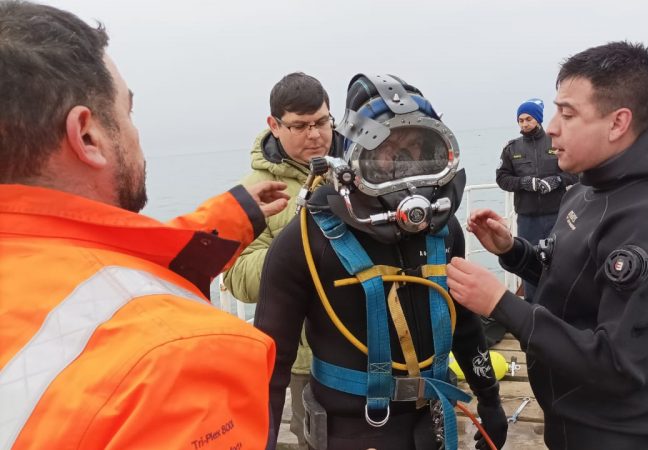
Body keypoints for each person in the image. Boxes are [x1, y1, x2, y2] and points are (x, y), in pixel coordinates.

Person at [0, 2, 290, 448]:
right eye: (127, 111)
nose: (136, 133)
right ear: (88, 136)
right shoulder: (175, 357)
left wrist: (234, 216)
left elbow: (84, 258)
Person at [446, 41, 648, 450]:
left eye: (568, 113)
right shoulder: (586, 188)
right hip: (566, 419)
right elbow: (571, 281)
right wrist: (512, 250)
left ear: (617, 123)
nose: (552, 126)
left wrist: (500, 303)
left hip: (619, 435)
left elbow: (615, 364)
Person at [254, 74, 507, 450]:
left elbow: (464, 323)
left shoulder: (442, 230)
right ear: (355, 157)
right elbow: (271, 367)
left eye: (421, 149)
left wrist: (490, 400)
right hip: (350, 432)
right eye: (387, 150)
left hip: (434, 425)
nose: (405, 165)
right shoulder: (305, 241)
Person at [223, 72, 337, 449]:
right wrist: (296, 251)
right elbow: (237, 276)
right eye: (300, 126)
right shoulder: (254, 191)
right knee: (316, 439)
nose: (315, 135)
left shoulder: (359, 171)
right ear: (274, 125)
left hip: (375, 345)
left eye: (321, 122)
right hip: (307, 359)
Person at [496, 98, 576, 304]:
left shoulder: (556, 142)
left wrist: (557, 180)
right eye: (520, 120)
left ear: (538, 119)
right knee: (529, 261)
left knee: (559, 262)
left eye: (528, 119)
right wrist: (524, 183)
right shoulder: (511, 149)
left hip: (557, 215)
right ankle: (532, 308)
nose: (524, 124)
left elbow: (576, 172)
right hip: (527, 218)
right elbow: (502, 179)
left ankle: (560, 306)